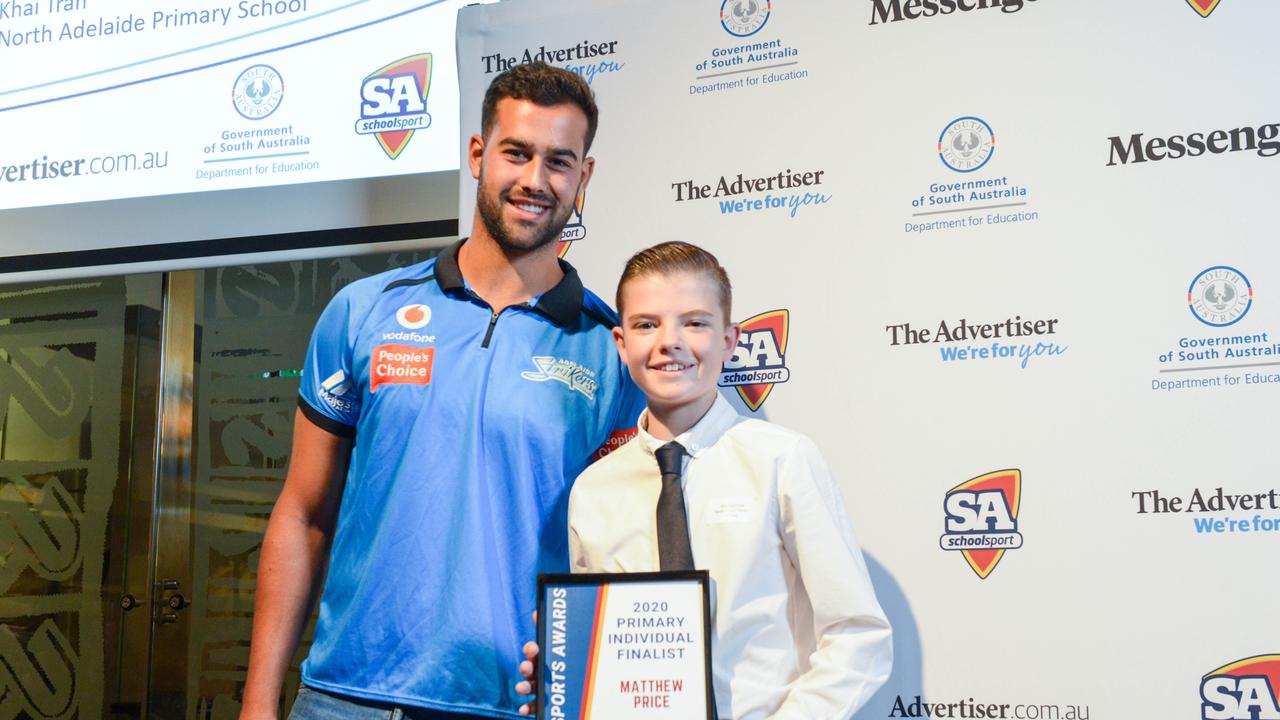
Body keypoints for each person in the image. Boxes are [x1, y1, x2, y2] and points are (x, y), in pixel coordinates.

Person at [240, 62, 645, 720]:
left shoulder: (611, 350)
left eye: (559, 161)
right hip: (344, 699)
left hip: (509, 708)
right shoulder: (363, 311)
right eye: (517, 153)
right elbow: (303, 514)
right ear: (479, 155)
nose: (535, 180)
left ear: (584, 178)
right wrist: (258, 703)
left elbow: (622, 555)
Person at [517, 242, 892, 719]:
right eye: (646, 324)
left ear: (729, 340)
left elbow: (857, 633)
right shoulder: (593, 489)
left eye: (694, 323)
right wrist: (564, 680)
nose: (669, 341)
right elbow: (604, 653)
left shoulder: (783, 460)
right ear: (620, 343)